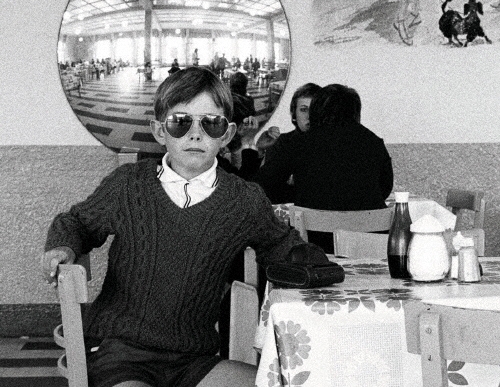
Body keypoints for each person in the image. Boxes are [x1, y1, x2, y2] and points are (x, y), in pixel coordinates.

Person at [42, 67, 313, 387]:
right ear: (160, 131)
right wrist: (63, 246)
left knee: (280, 383)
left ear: (227, 134)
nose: (195, 134)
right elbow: (78, 222)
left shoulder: (243, 200)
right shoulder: (129, 185)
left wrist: (310, 261)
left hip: (193, 358)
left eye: (211, 123)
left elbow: (280, 244)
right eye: (180, 122)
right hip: (120, 351)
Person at [251, 83, 393, 252]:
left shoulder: (299, 143)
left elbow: (262, 188)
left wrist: (298, 191)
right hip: (370, 243)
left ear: (317, 111)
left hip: (315, 245)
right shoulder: (374, 142)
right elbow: (385, 189)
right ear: (356, 112)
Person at [255, 82, 322, 203]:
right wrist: (259, 151)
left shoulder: (332, 144)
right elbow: (261, 189)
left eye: (315, 109)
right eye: (303, 110)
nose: (309, 116)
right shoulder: (282, 143)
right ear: (294, 114)